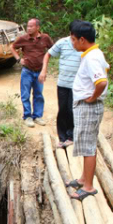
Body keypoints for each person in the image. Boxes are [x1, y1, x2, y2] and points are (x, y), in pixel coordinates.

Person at [64, 20, 108, 201]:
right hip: (86, 106)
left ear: (82, 40)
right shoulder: (93, 54)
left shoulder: (91, 58)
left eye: (73, 40)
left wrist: (92, 98)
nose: (72, 43)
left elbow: (101, 81)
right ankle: (84, 178)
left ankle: (88, 186)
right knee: (85, 144)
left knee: (88, 146)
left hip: (89, 107)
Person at [41, 20, 82, 148]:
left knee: (72, 110)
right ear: (71, 33)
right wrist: (44, 70)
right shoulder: (62, 43)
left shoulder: (83, 44)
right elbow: (48, 54)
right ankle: (62, 137)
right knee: (63, 110)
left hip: (77, 85)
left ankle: (71, 136)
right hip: (63, 83)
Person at [11, 19, 53, 127]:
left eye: (31, 26)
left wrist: (45, 62)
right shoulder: (23, 38)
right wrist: (18, 59)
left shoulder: (45, 38)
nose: (28, 28)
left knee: (38, 94)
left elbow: (52, 50)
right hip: (27, 71)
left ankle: (38, 116)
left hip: (39, 72)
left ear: (37, 27)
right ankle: (27, 116)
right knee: (25, 94)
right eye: (28, 26)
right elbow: (12, 47)